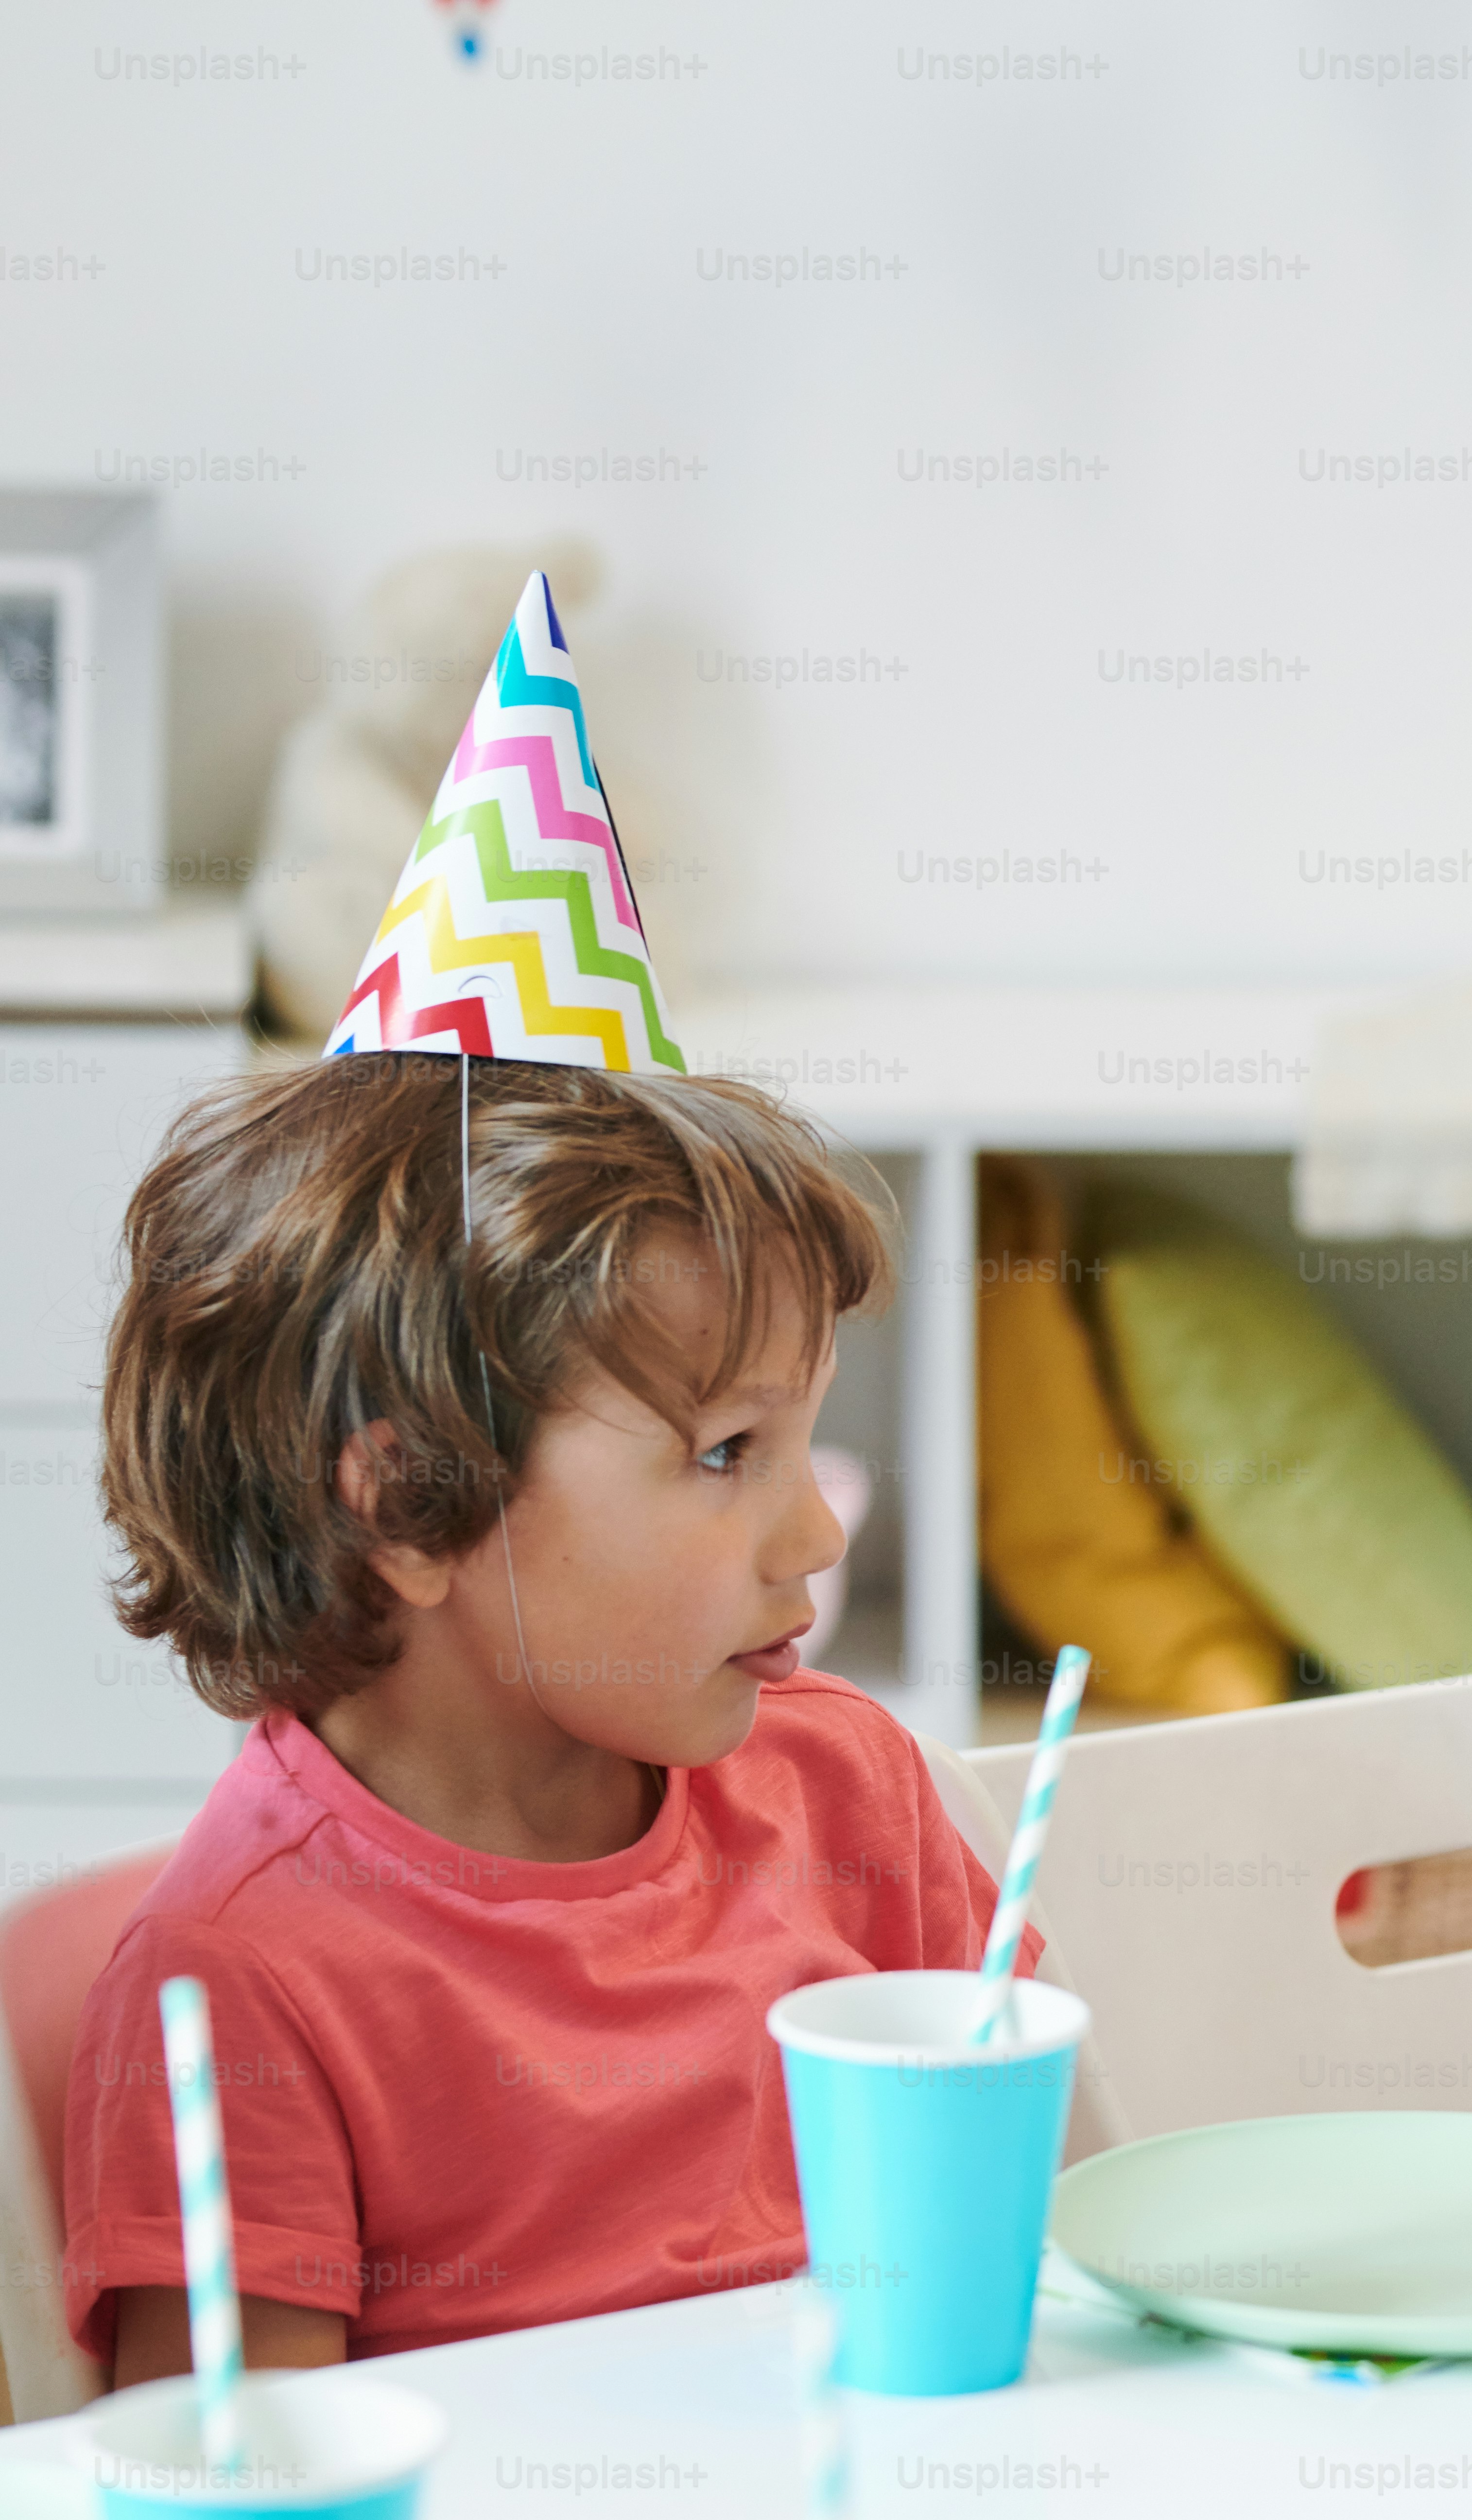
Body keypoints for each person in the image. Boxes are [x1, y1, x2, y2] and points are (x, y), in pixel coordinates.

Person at [64, 574, 1036, 2373]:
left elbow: (1046, 2271)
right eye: (725, 1454)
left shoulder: (858, 1808)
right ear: (409, 1497)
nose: (815, 1529)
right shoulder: (246, 1989)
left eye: (802, 1437)